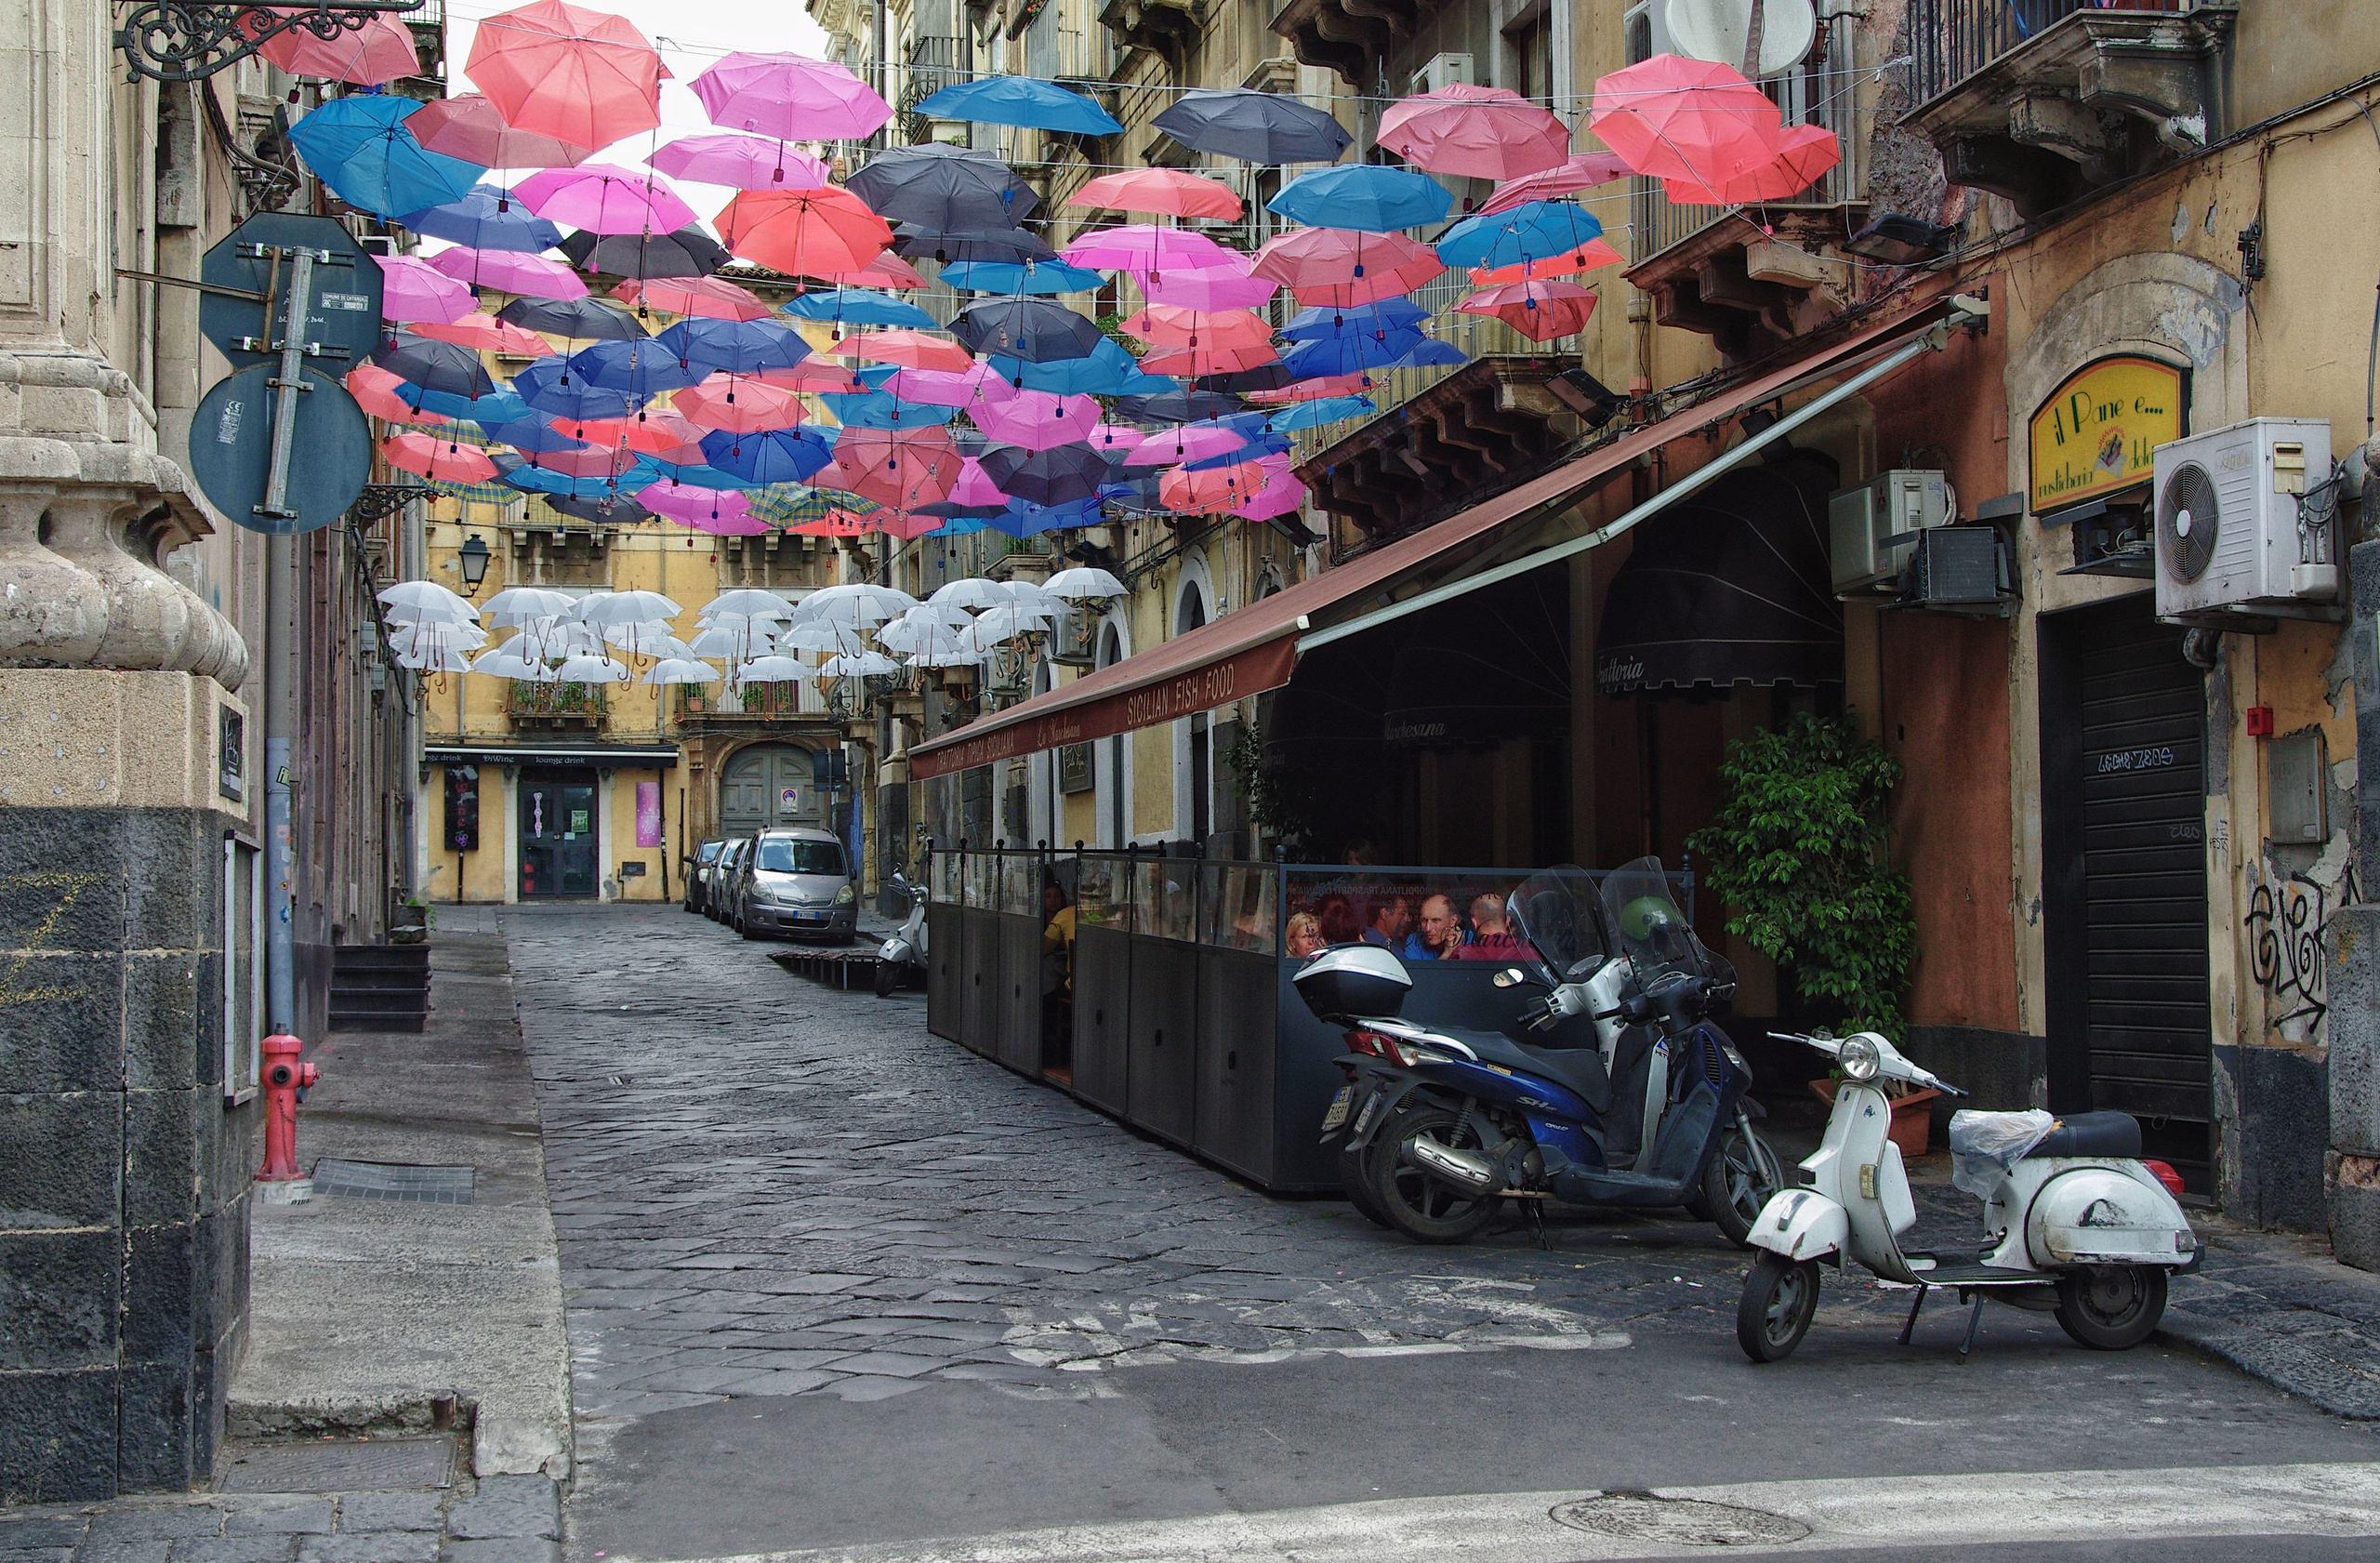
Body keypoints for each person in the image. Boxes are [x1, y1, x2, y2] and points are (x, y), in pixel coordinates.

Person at [1455, 891, 1537, 961]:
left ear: (1474, 923)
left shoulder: (1465, 954)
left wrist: (1449, 952)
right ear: (1508, 920)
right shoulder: (1529, 951)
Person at [1404, 893, 1465, 960]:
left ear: (1453, 921)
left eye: (1435, 920)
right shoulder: (1415, 940)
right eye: (1424, 920)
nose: (1428, 928)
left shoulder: (1469, 939)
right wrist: (1447, 953)